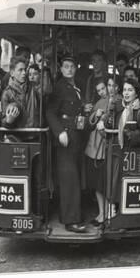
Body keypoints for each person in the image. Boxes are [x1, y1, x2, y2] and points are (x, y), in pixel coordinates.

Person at [46, 55, 88, 233]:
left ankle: (73, 215)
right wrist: (59, 132)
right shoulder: (59, 87)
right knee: (69, 179)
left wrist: (84, 109)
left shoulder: (75, 86)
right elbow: (50, 112)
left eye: (72, 66)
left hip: (76, 137)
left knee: (74, 177)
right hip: (65, 137)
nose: (69, 69)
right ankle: (71, 221)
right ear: (61, 69)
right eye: (66, 67)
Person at [108, 79, 140, 217]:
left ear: (136, 93)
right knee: (112, 181)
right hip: (117, 150)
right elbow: (110, 124)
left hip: (131, 153)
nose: (126, 93)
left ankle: (122, 214)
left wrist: (131, 135)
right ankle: (112, 208)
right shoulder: (117, 107)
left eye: (130, 90)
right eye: (124, 90)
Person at [85, 80, 111, 225]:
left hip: (103, 146)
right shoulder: (99, 102)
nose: (102, 91)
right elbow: (90, 121)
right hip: (96, 147)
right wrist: (95, 113)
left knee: (102, 183)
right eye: (99, 90)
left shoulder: (113, 101)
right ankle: (101, 212)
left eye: (103, 88)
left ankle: (105, 213)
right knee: (97, 183)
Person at [1, 56, 40, 129]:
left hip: (34, 134)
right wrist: (9, 120)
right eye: (20, 70)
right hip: (16, 136)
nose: (24, 73)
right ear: (12, 73)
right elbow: (3, 121)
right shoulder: (7, 93)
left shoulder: (33, 88)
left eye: (25, 70)